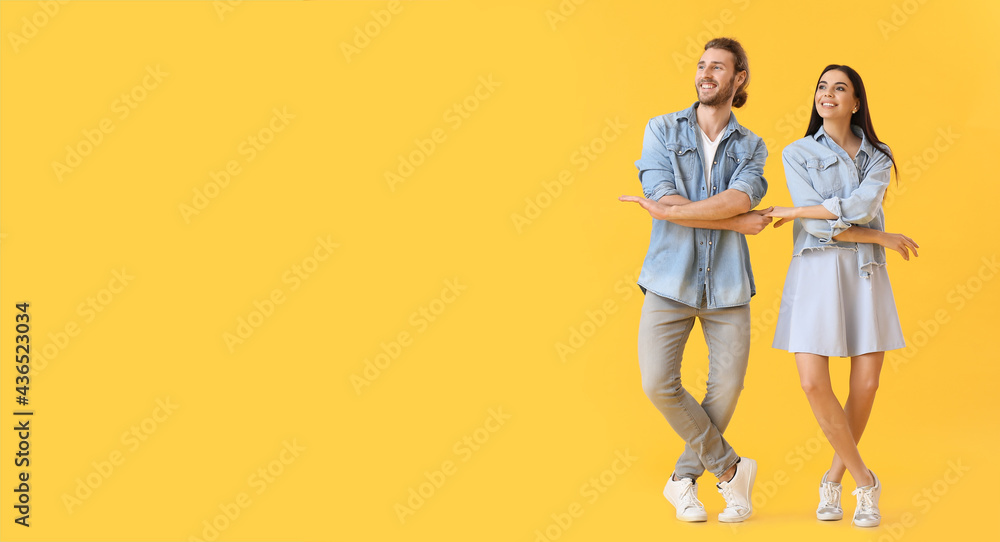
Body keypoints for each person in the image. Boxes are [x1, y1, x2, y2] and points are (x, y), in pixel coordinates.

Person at [618, 37, 771, 523]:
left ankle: (684, 479)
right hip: (669, 279)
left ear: (738, 79)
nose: (706, 73)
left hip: (727, 285)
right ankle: (730, 470)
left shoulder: (753, 146)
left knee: (726, 389)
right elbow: (664, 198)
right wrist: (734, 223)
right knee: (658, 383)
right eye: (702, 65)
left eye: (718, 67)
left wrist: (730, 212)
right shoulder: (661, 129)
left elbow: (737, 200)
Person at [765, 64, 918, 528]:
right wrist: (878, 237)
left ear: (856, 102)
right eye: (821, 86)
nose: (827, 94)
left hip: (865, 275)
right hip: (814, 271)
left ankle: (833, 479)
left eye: (839, 88)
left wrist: (800, 209)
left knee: (865, 386)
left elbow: (864, 205)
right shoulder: (796, 152)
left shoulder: (878, 155)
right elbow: (816, 227)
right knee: (813, 382)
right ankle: (864, 480)